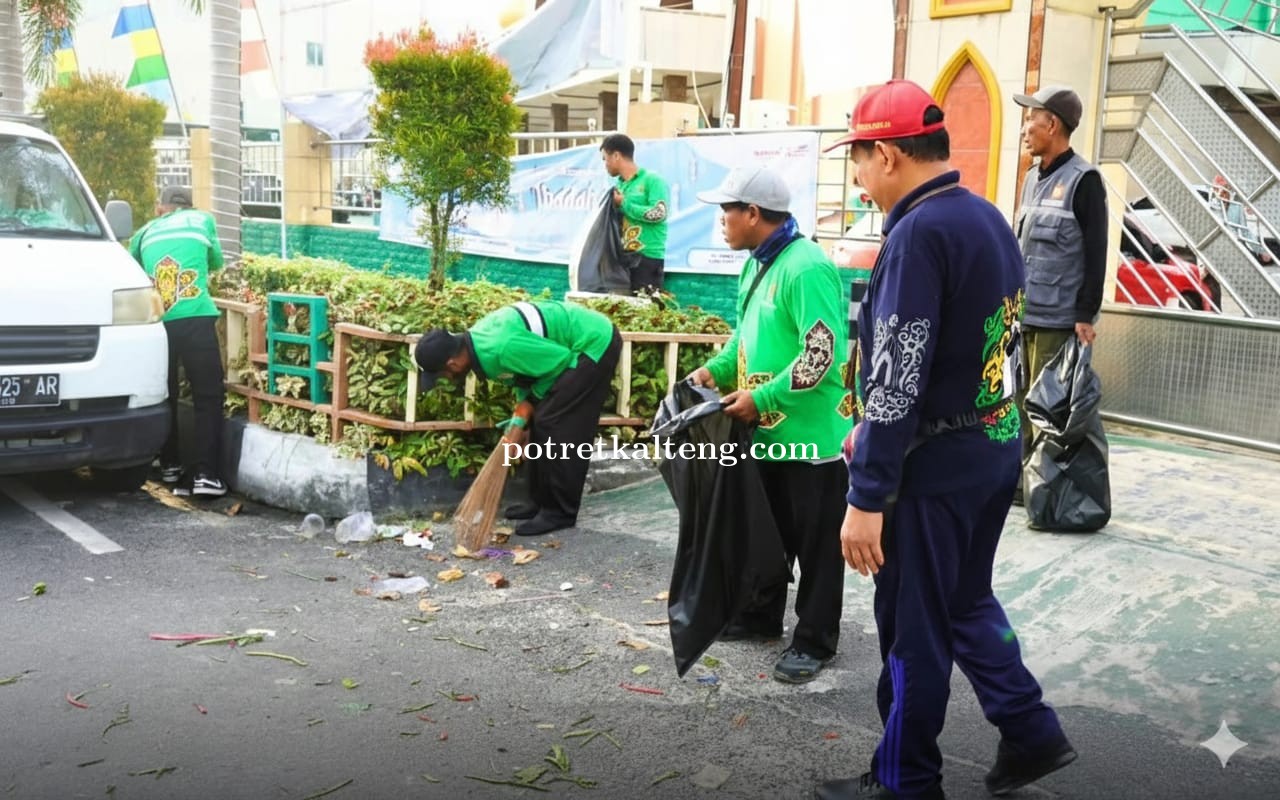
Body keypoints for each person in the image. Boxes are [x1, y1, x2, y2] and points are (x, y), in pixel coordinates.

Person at [821, 80, 1075, 799]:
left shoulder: (918, 233)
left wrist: (867, 494)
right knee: (965, 602)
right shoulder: (985, 217)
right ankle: (1031, 732)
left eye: (860, 159)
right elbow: (989, 345)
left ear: (892, 155)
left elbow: (898, 376)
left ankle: (906, 781)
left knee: (913, 630)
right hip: (991, 446)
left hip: (931, 469)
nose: (859, 176)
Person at [687, 165, 851, 685]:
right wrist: (713, 370)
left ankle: (814, 641)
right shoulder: (757, 264)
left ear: (753, 214)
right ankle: (760, 618)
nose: (721, 221)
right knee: (767, 533)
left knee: (817, 547)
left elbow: (821, 354)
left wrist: (762, 397)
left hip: (813, 440)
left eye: (726, 211)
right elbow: (745, 336)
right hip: (768, 434)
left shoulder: (806, 268)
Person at [414, 300, 622, 537]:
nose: (449, 379)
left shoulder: (501, 347)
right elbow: (526, 376)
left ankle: (560, 512)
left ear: (453, 363)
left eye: (445, 375)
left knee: (555, 423)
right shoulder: (479, 347)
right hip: (574, 349)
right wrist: (520, 422)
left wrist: (529, 404)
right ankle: (539, 502)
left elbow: (559, 361)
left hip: (593, 344)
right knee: (538, 421)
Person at [1012, 86, 1106, 469]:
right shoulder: (1033, 178)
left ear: (1051, 124)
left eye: (1031, 118)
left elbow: (1096, 251)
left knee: (1046, 408)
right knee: (1016, 402)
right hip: (1023, 315)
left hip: (1059, 320)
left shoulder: (1084, 180)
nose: (1024, 127)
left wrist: (1085, 313)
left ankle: (1043, 483)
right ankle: (1017, 480)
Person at [129, 185, 227, 497]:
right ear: (189, 205)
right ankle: (205, 475)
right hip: (197, 315)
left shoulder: (143, 233)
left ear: (161, 208)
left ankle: (170, 467)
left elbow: (132, 271)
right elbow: (216, 262)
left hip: (159, 323)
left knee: (165, 394)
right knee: (207, 397)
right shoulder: (202, 220)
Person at [600, 133, 669, 294]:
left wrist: (623, 203)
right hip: (622, 259)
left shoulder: (652, 180)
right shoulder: (619, 186)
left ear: (616, 155)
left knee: (647, 312)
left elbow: (658, 213)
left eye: (605, 158)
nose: (605, 164)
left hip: (647, 258)